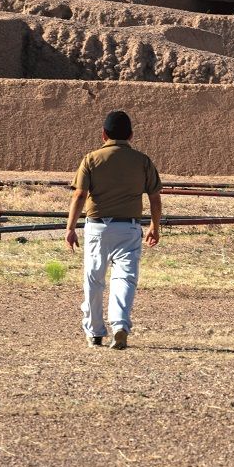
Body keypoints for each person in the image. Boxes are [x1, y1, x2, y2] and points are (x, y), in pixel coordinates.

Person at [64, 110, 162, 350]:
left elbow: (79, 194)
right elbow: (155, 197)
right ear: (131, 135)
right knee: (125, 278)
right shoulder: (143, 161)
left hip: (97, 227)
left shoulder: (91, 159)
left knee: (94, 279)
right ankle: (120, 325)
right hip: (128, 228)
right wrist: (154, 226)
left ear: (103, 134)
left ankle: (95, 332)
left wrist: (70, 228)